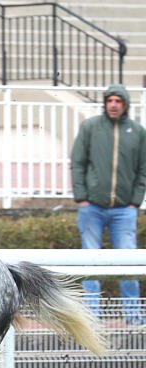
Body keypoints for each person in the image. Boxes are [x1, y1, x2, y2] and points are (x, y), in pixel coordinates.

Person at [71, 83, 146, 326]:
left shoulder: (137, 132)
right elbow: (78, 163)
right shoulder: (90, 127)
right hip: (91, 208)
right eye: (110, 100)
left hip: (124, 211)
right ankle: (92, 319)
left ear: (125, 104)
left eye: (118, 101)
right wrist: (82, 197)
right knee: (90, 264)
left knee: (128, 264)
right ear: (105, 103)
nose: (113, 105)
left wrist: (135, 202)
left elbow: (143, 169)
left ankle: (133, 318)